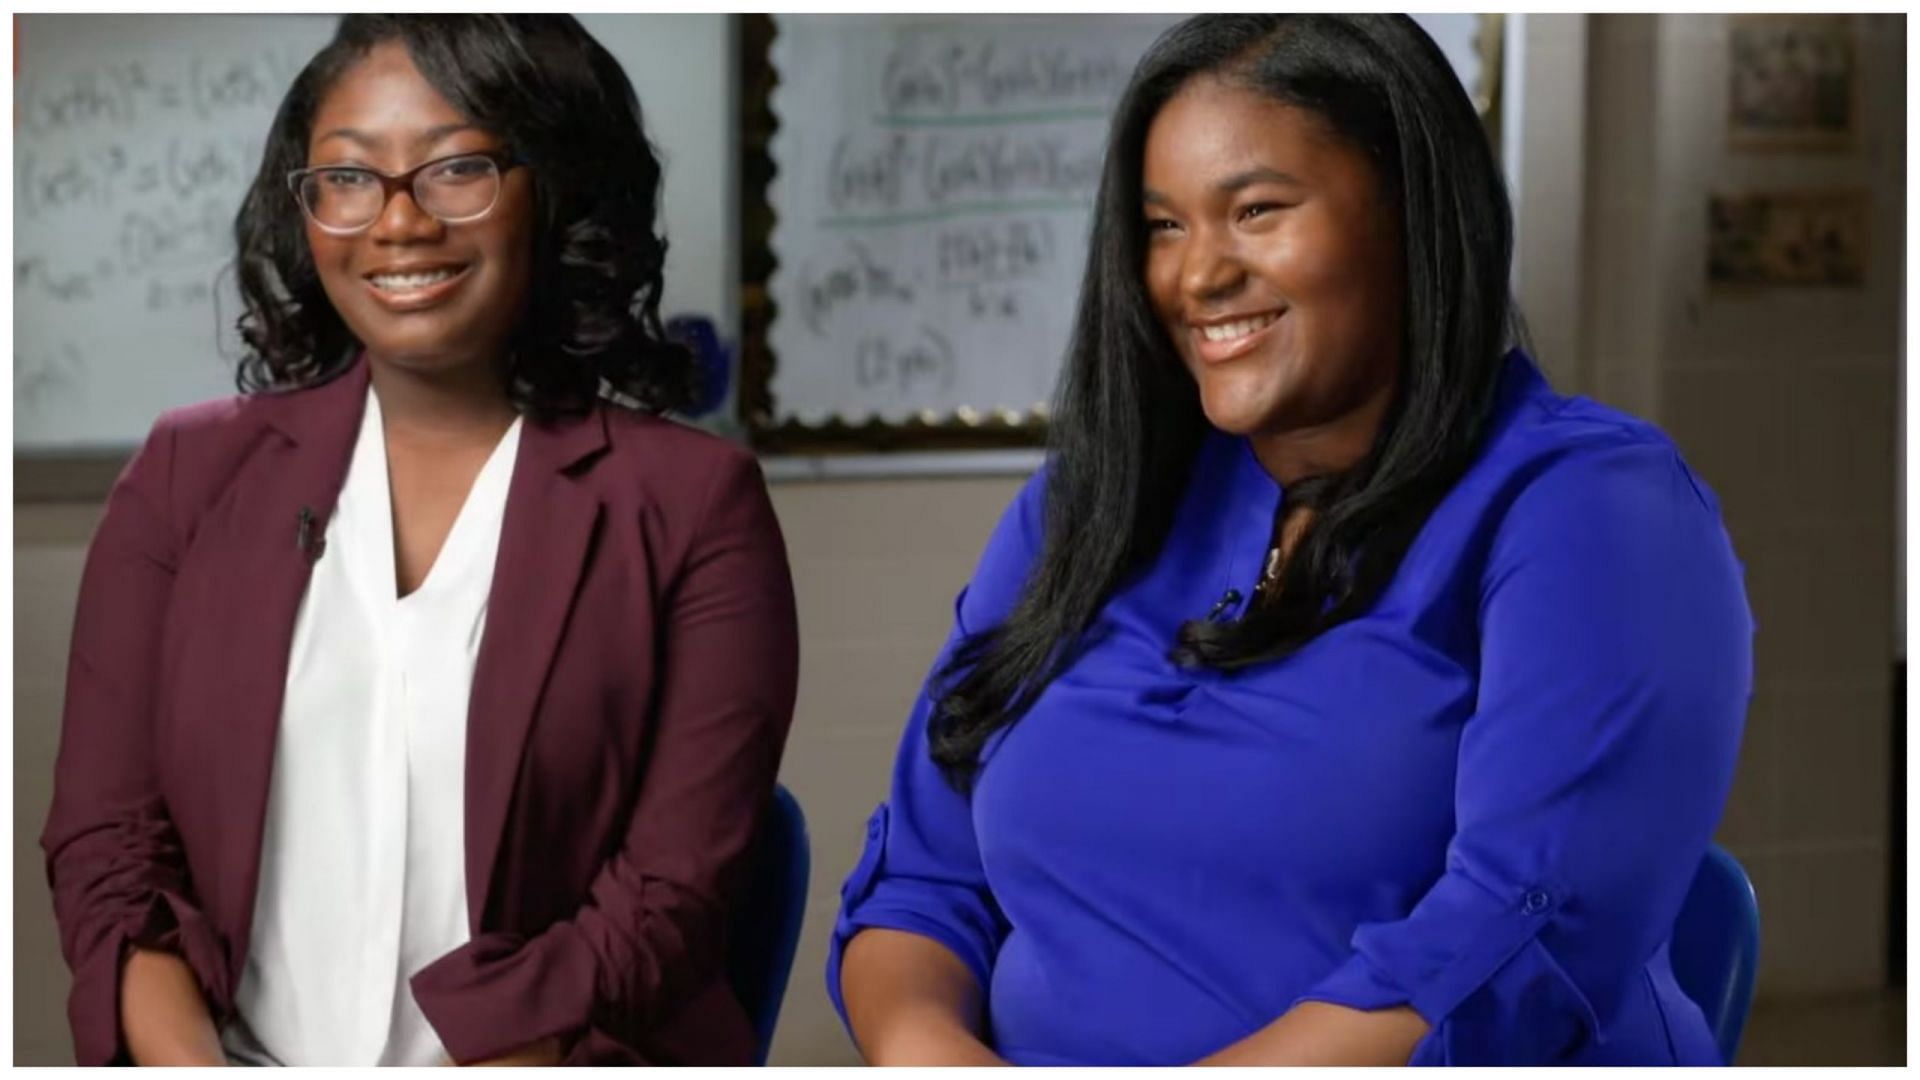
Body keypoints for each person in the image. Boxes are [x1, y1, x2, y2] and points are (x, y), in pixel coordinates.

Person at [828, 13, 1752, 1067]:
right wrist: (935, 1057)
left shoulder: (1590, 508)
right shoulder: (1092, 500)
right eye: (1164, 225)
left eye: (1257, 210)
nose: (1196, 275)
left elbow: (1514, 943)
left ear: (1412, 214)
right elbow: (923, 879)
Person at [41, 15, 798, 1067]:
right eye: (348, 179)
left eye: (457, 170)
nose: (398, 223)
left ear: (553, 189)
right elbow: (111, 854)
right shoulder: (182, 480)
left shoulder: (693, 506)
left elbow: (666, 906)